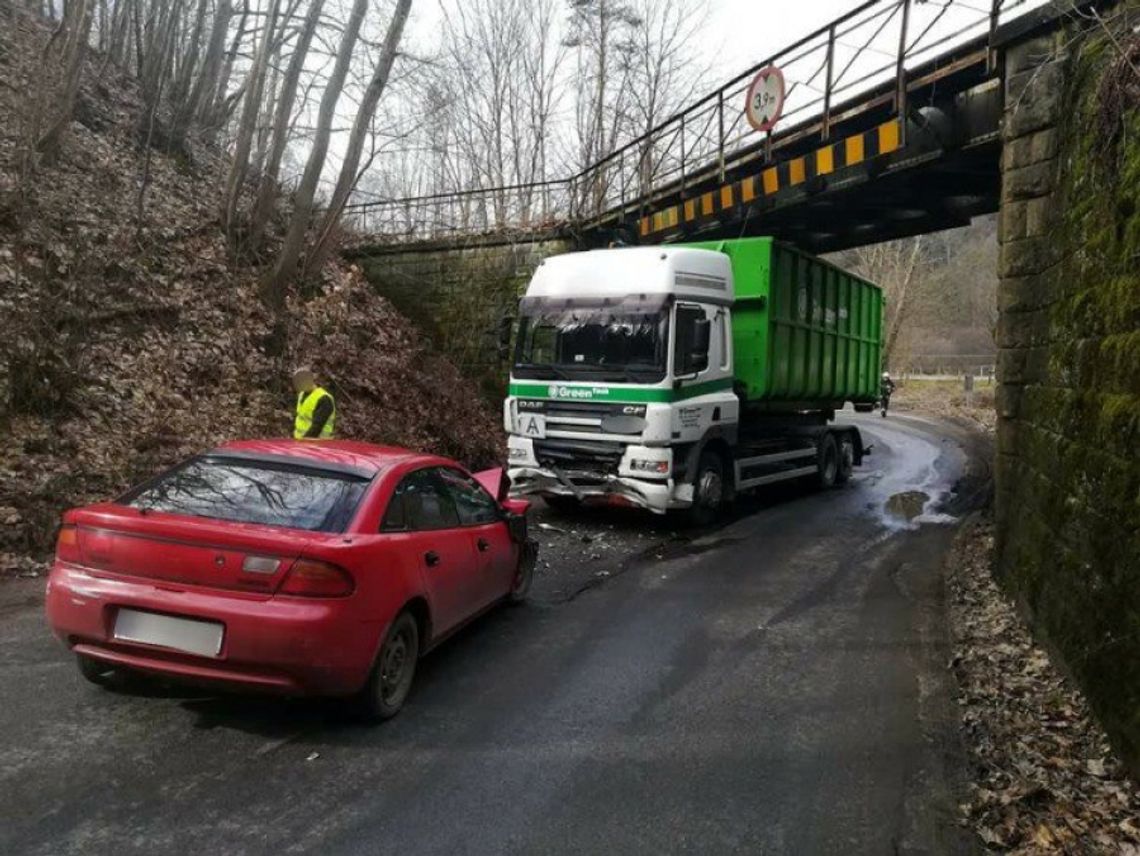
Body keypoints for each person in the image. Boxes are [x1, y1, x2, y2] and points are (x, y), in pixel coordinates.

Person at [292, 368, 336, 439]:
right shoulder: (301, 394)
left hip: (319, 444)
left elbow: (317, 426)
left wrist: (304, 442)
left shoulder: (324, 398)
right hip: (300, 443)